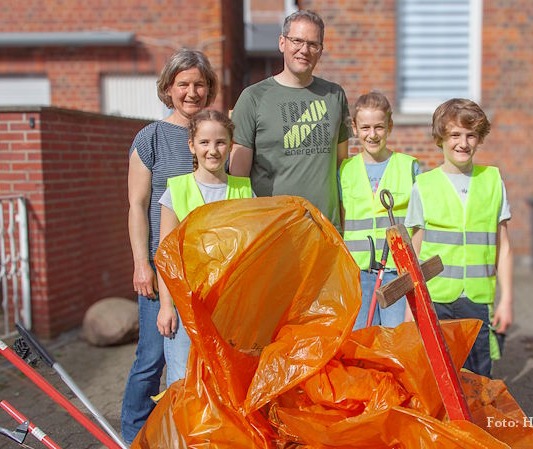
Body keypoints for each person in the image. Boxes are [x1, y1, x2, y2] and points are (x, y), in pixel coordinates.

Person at [121, 49, 218, 445]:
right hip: (161, 271)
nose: (191, 92)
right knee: (151, 359)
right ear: (168, 88)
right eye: (183, 84)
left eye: (199, 84)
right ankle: (132, 434)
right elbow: (137, 205)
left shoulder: (213, 132)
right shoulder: (151, 138)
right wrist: (141, 265)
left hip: (202, 272)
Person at [405, 98, 513, 378]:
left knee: (478, 379)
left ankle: (475, 423)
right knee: (437, 378)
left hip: (476, 299)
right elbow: (414, 249)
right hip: (436, 298)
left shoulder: (492, 181)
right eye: (455, 135)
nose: (463, 143)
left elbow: (504, 249)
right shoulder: (424, 186)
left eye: (471, 135)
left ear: (479, 139)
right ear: (440, 138)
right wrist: (410, 304)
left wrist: (507, 300)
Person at [229, 9, 350, 232]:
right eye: (297, 41)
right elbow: (238, 181)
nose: (304, 50)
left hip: (325, 231)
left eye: (313, 44)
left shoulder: (335, 96)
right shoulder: (253, 98)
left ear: (320, 51)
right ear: (282, 43)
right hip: (274, 231)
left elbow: (342, 169)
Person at [156, 109, 253, 385]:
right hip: (188, 307)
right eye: (204, 143)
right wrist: (166, 306)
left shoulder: (245, 191)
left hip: (231, 309)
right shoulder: (176, 191)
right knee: (183, 383)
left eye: (221, 142)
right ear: (192, 145)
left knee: (225, 382)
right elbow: (166, 257)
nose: (213, 150)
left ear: (231, 145)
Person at [339, 92, 420, 330]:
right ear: (355, 128)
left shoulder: (409, 167)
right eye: (365, 127)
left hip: (398, 271)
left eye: (379, 127)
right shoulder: (345, 170)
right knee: (362, 339)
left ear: (390, 127)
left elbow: (419, 226)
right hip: (359, 273)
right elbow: (342, 221)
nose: (372, 135)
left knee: (397, 338)